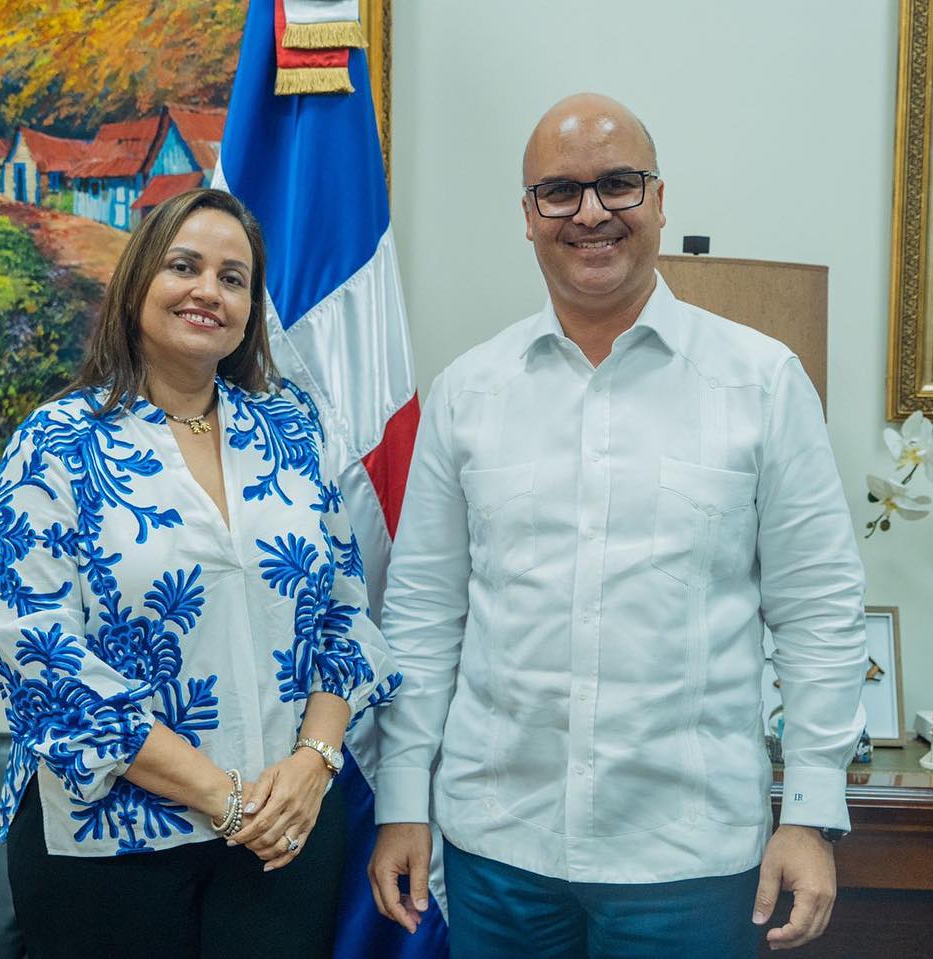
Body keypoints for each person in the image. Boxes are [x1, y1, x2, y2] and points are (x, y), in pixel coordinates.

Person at [367, 93, 868, 958]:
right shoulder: (470, 393)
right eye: (559, 191)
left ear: (661, 201)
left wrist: (813, 813)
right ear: (528, 217)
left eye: (619, 185)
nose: (591, 212)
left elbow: (819, 609)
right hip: (500, 851)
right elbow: (422, 611)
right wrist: (403, 798)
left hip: (691, 858)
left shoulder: (761, 383)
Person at [0, 188, 400, 958]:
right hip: (111, 845)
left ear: (250, 309)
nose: (209, 290)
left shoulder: (290, 433)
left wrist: (314, 762)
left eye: (234, 277)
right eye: (185, 266)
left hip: (283, 835)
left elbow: (344, 613)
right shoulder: (57, 443)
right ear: (138, 281)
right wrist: (219, 796)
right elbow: (31, 644)